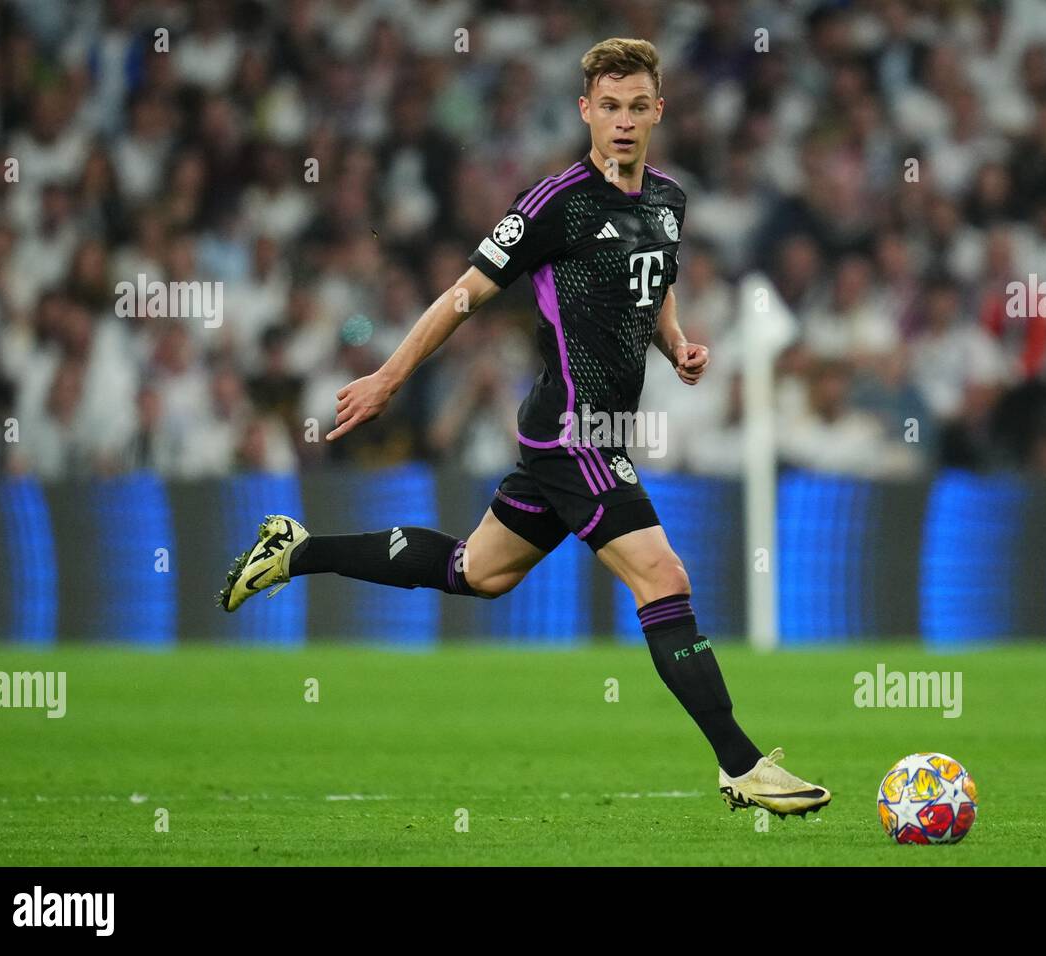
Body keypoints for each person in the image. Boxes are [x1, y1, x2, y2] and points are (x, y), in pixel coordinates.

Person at [218, 38, 831, 818]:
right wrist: (388, 378)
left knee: (480, 573)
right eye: (608, 106)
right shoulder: (555, 203)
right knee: (664, 577)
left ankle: (298, 550)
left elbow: (656, 284)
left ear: (658, 113)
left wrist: (676, 344)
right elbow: (461, 296)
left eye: (637, 106)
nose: (622, 121)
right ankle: (742, 766)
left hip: (596, 429)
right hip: (572, 431)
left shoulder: (669, 202)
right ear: (585, 111)